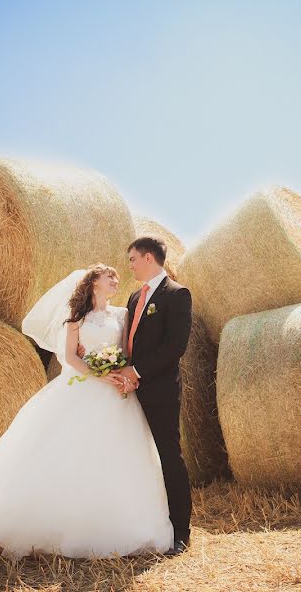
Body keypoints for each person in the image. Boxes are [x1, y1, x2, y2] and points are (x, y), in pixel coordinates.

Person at [0, 263, 174, 560]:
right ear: (94, 283)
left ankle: (116, 523)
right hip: (84, 386)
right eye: (110, 277)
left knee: (118, 455)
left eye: (116, 277)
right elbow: (70, 357)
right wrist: (99, 374)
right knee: (69, 451)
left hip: (117, 393)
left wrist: (120, 375)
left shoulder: (122, 315)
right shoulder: (76, 319)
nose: (115, 280)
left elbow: (127, 351)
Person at [115, 236, 194, 556]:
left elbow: (175, 348)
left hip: (159, 391)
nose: (130, 264)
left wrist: (137, 373)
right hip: (131, 391)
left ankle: (181, 532)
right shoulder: (135, 297)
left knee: (168, 457)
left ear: (148, 258)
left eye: (132, 258)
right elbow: (131, 341)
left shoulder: (177, 294)